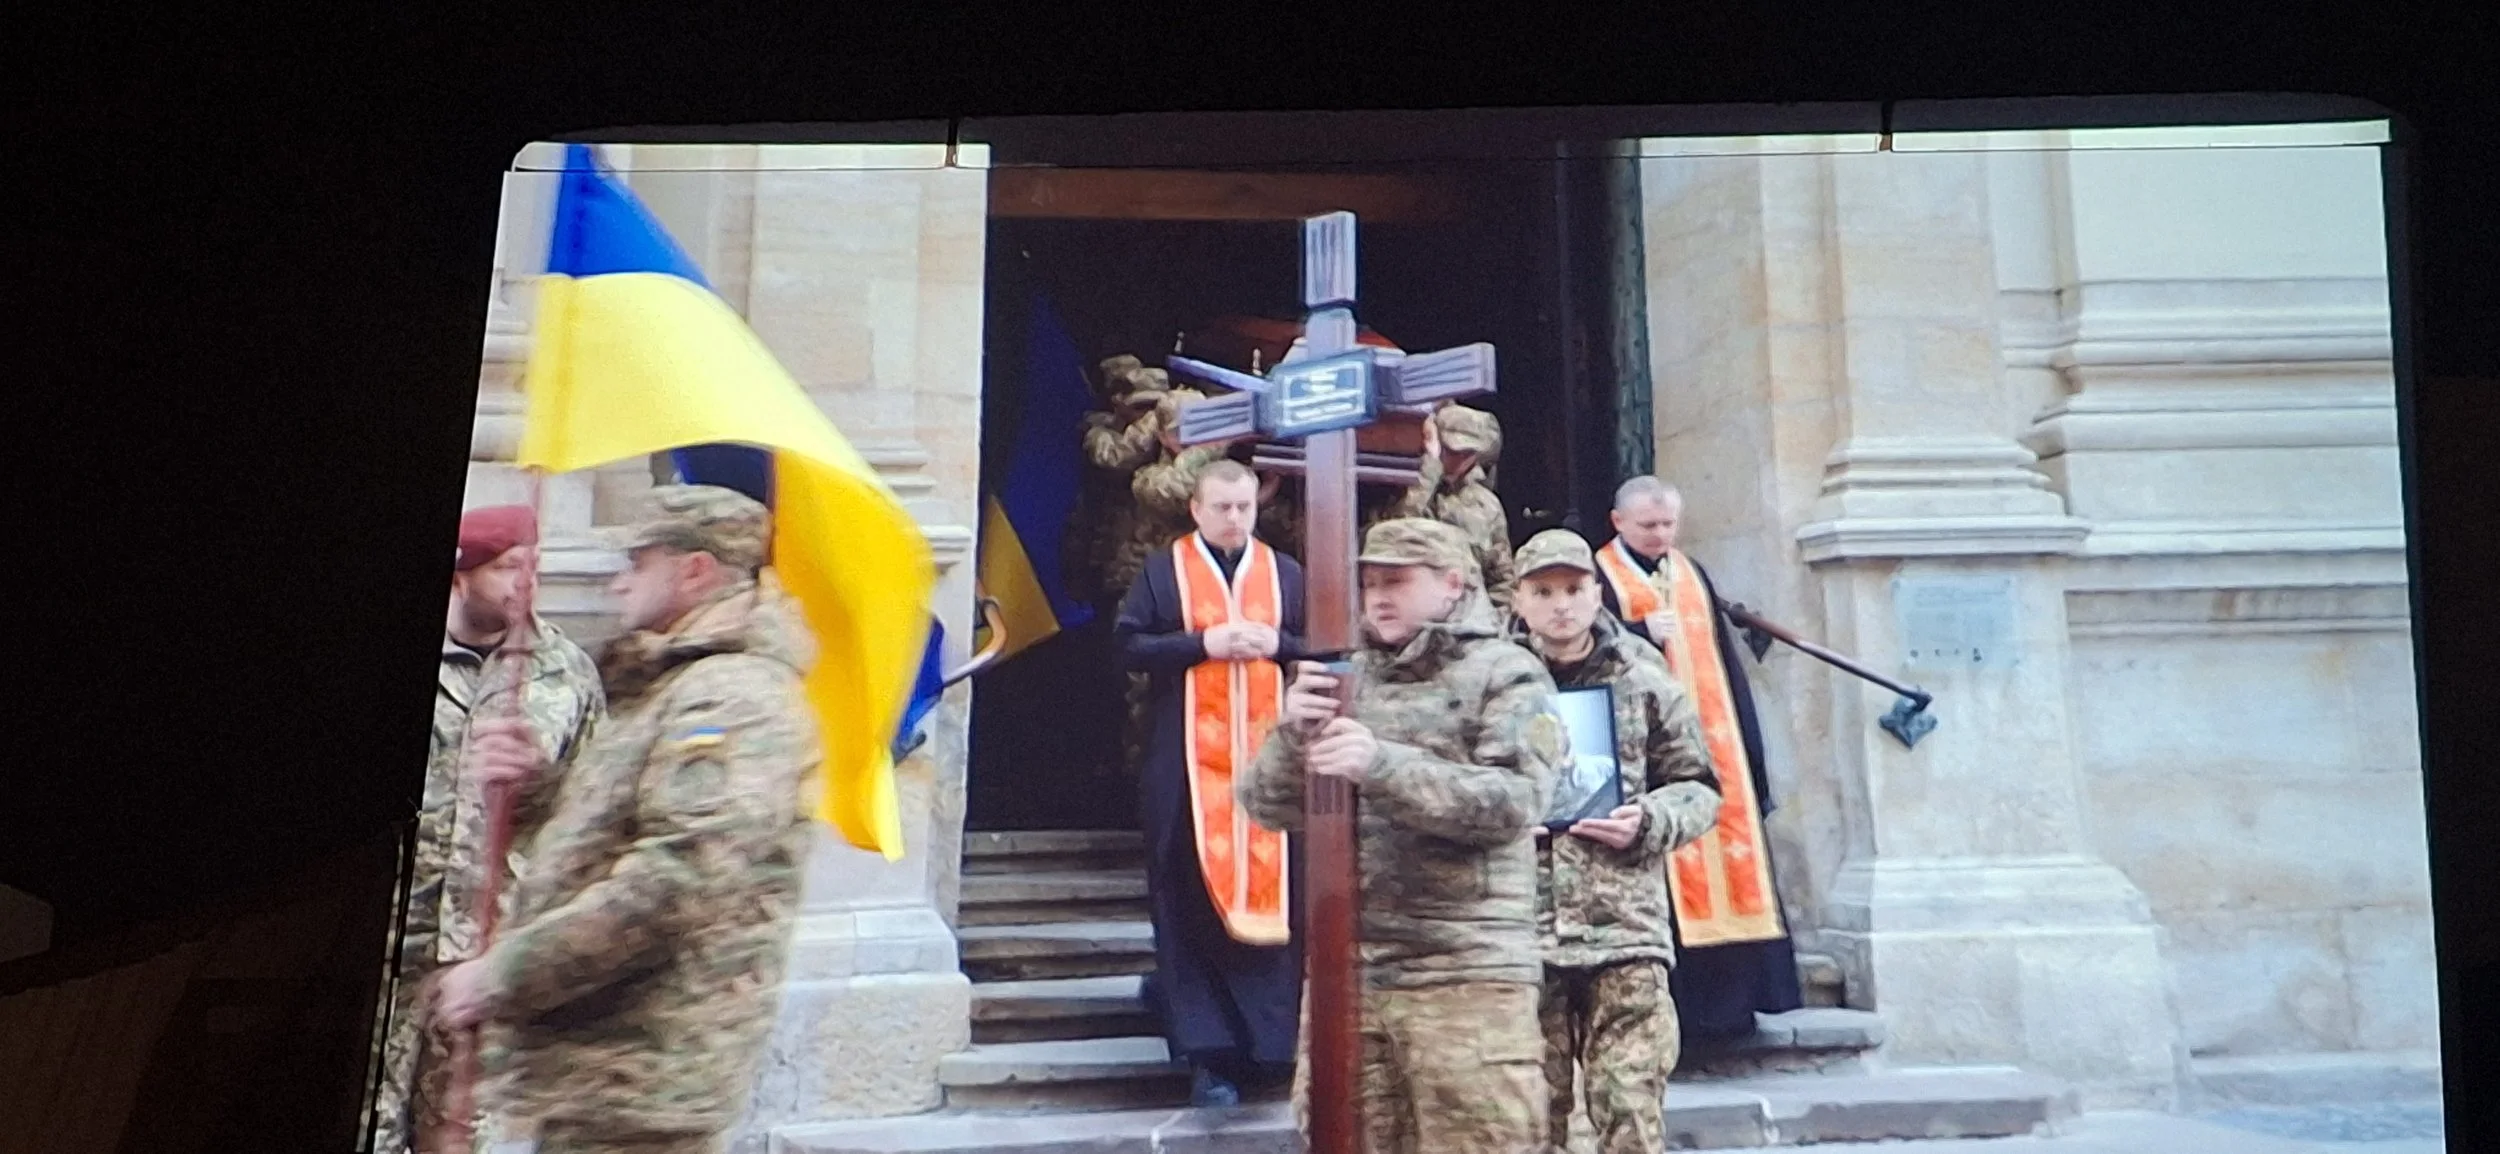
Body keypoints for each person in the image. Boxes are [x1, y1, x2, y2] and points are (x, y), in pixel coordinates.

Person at [429, 485, 822, 1154]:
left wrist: (505, 975)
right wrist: (535, 786)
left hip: (646, 1073)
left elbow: (678, 878)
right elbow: (611, 833)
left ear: (693, 570)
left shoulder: (730, 695)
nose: (616, 584)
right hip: (606, 1069)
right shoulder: (673, 682)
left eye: (637, 562)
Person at [1239, 518, 1568, 1154]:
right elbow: (1267, 807)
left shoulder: (1505, 672)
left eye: (1396, 581)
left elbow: (1515, 802)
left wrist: (1380, 765)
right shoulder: (1343, 674)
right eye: (1368, 583)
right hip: (1349, 969)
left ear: (1452, 585)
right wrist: (1290, 735)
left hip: (1462, 970)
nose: (1378, 597)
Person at [373, 504, 602, 1154]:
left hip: (488, 950)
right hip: (389, 946)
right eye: (508, 567)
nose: (526, 582)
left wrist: (541, 778)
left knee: (462, 1135)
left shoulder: (565, 673)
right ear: (460, 575)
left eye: (535, 566)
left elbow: (594, 810)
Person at [1506, 529, 1723, 1153]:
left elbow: (1698, 785)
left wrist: (1648, 819)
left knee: (1630, 1109)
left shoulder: (1643, 674)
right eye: (1543, 592)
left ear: (1596, 591)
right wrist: (1497, 816)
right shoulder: (1491, 681)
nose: (1561, 606)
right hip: (1523, 932)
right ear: (1518, 599)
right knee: (1527, 1118)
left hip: (1624, 926)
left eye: (1574, 589)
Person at [1115, 459, 1306, 1106]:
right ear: (1195, 509)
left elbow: (1321, 646)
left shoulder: (1285, 573)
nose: (1233, 518)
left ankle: (1270, 1050)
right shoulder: (1162, 570)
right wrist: (1204, 643)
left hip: (1273, 772)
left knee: (1280, 900)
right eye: (1221, 507)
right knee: (1188, 896)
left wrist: (1276, 642)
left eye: (1244, 508)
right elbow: (1129, 646)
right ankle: (1209, 1057)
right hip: (1185, 768)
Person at [1592, 476, 1804, 1046]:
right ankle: (1682, 1018)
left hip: (1712, 744)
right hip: (1649, 757)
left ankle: (1732, 1013)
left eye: (1667, 525)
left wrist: (1748, 755)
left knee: (1728, 857)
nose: (1660, 535)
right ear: (1618, 523)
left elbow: (1726, 671)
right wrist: (1636, 631)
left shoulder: (1691, 574)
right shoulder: (1598, 575)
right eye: (1648, 526)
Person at [1393, 405, 1515, 609]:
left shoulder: (1486, 505)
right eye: (1451, 450)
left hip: (1473, 620)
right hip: (1415, 612)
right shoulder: (1407, 489)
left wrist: (1495, 622)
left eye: (1468, 453)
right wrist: (1430, 469)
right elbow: (1396, 536)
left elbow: (1503, 579)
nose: (1458, 459)